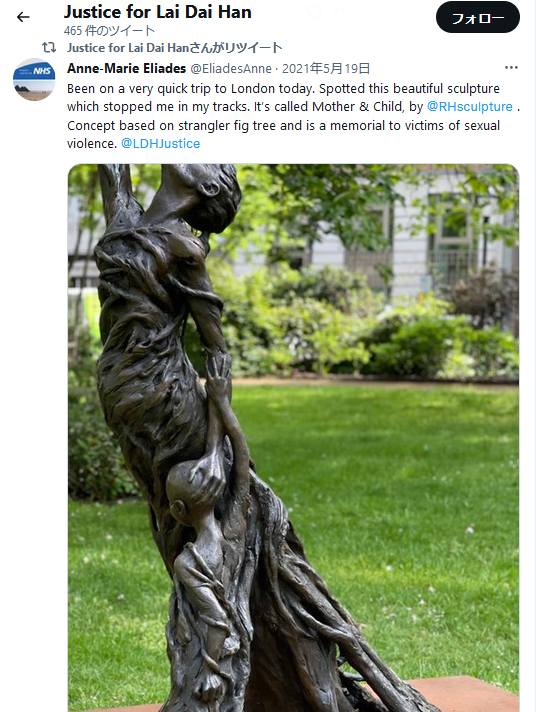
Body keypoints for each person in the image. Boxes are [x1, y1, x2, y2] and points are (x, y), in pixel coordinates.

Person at [165, 352, 250, 704]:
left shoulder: (189, 563)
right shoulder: (233, 530)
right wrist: (221, 402)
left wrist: (210, 670)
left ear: (178, 510)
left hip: (208, 666)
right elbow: (241, 459)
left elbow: (215, 620)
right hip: (235, 650)